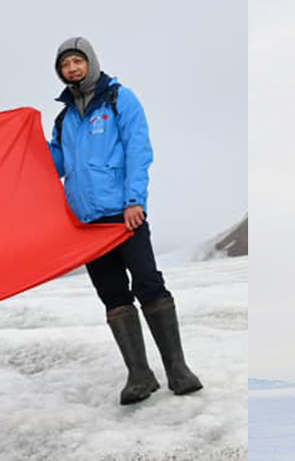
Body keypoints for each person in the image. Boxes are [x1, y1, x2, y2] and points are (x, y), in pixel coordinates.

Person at [48, 37, 202, 405]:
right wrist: (15, 151)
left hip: (123, 214)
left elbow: (138, 150)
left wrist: (136, 200)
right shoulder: (64, 118)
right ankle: (139, 375)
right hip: (87, 223)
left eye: (76, 61)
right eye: (65, 65)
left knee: (148, 282)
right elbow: (52, 166)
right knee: (113, 295)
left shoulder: (119, 99)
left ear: (91, 62)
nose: (71, 69)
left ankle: (178, 370)